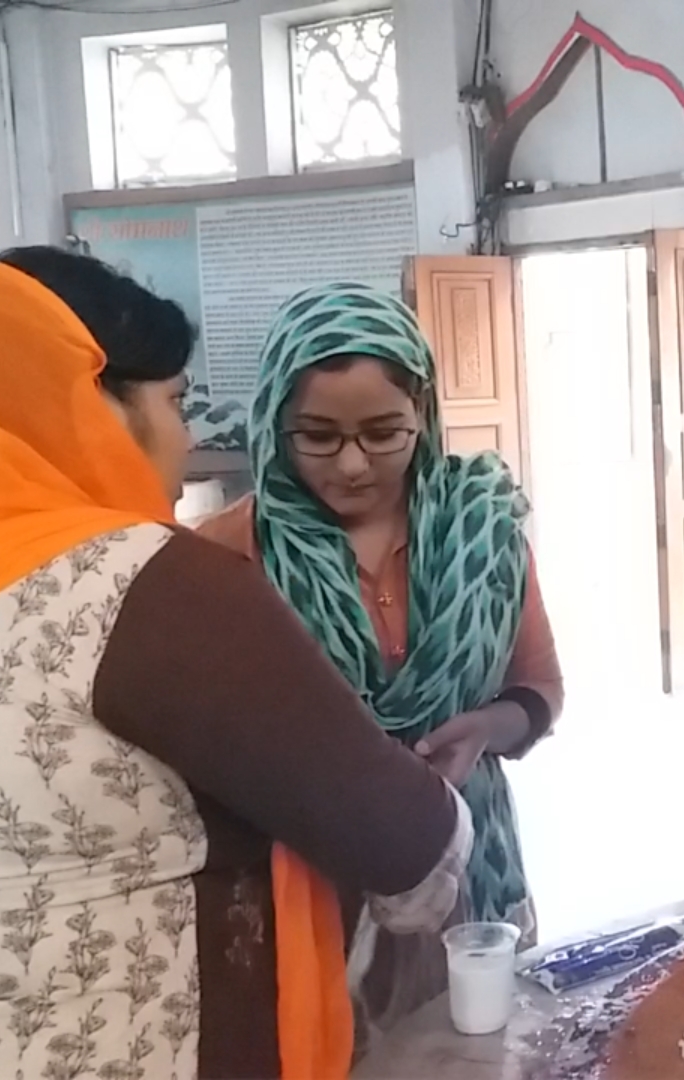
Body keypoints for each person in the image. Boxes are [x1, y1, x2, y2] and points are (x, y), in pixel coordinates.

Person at [0, 249, 470, 1079]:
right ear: (86, 399)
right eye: (173, 402)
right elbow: (407, 840)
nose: (186, 439)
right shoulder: (151, 588)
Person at [195, 283, 562, 1034]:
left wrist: (485, 729)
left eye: (384, 432)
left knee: (473, 1047)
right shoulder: (225, 555)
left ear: (422, 412)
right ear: (274, 424)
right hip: (304, 880)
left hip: (467, 860)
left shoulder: (484, 531)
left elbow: (539, 687)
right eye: (319, 436)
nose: (355, 465)